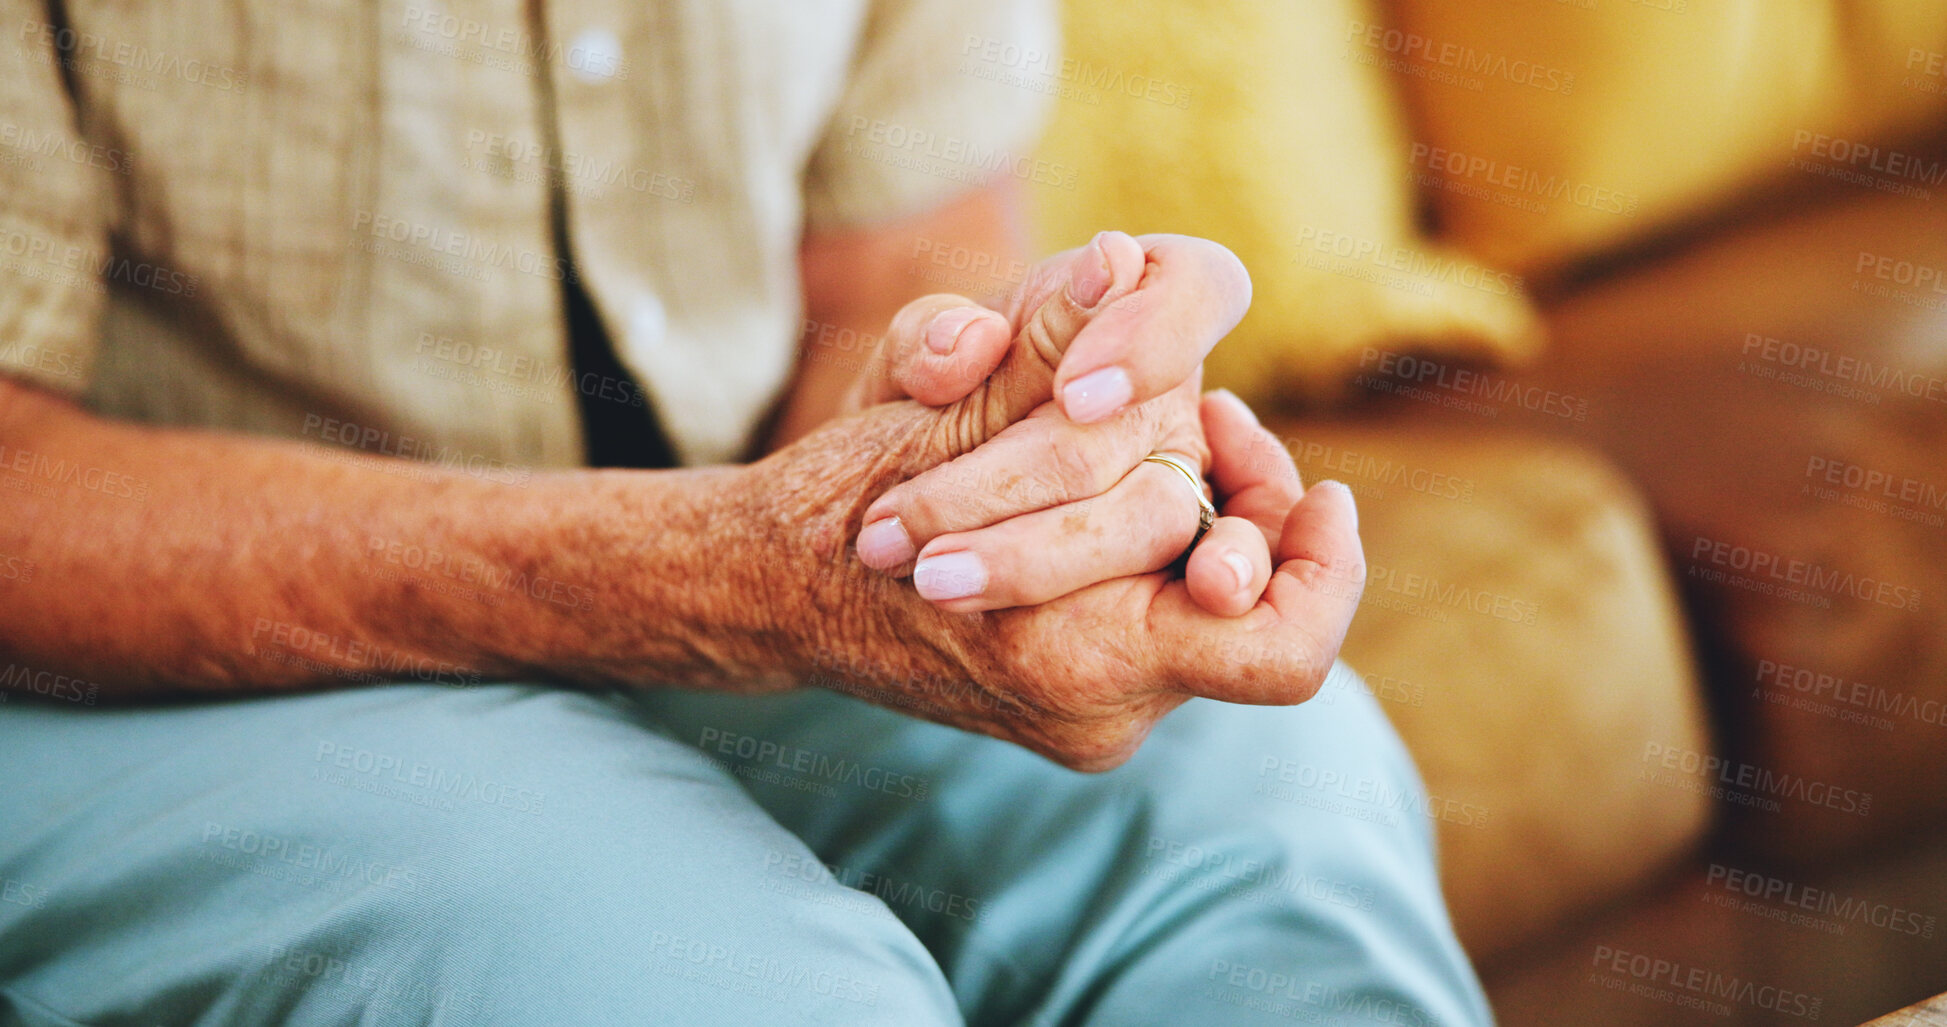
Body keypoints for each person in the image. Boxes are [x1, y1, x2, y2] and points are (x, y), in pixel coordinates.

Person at [0, 1, 1492, 1023]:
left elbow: (912, 240)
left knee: (1276, 799)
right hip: (147, 654)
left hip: (719, 537)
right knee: (715, 983)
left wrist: (997, 442)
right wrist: (722, 573)